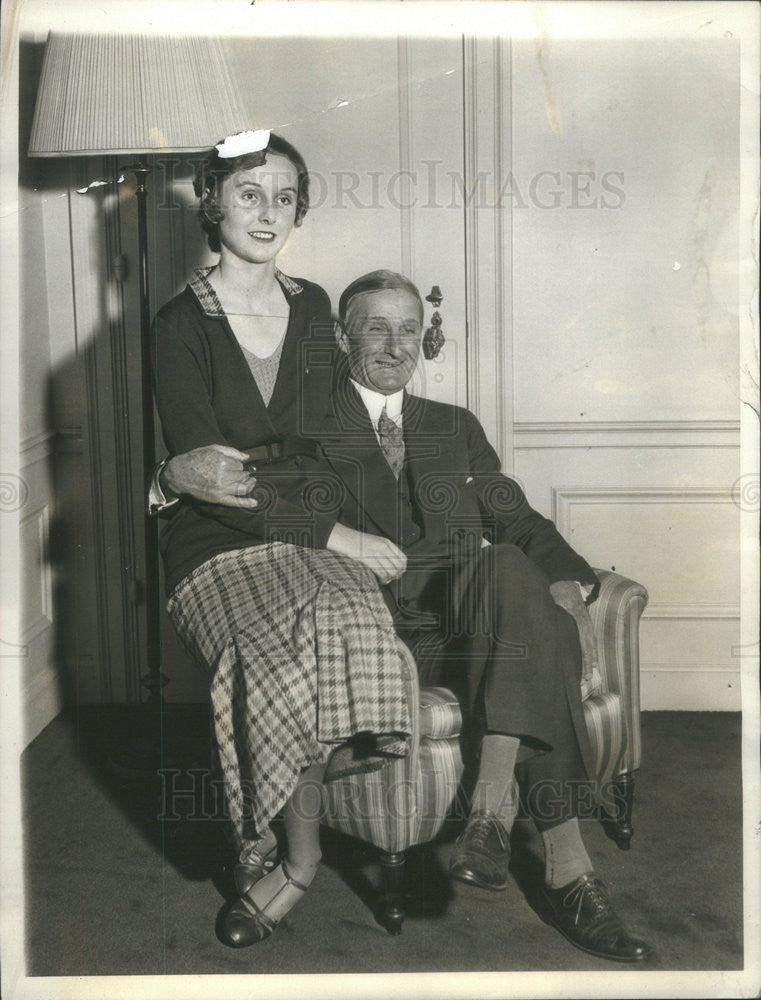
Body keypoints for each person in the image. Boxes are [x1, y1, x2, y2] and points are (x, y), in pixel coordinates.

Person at [158, 269, 653, 962]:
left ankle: (501, 822)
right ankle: (563, 868)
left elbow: (517, 520)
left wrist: (571, 583)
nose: (395, 345)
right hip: (369, 631)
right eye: (377, 328)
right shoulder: (300, 428)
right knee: (527, 628)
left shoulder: (452, 426)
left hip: (466, 621)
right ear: (342, 336)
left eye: (409, 330)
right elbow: (265, 512)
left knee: (516, 572)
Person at [150, 134, 415, 949]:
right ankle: (291, 864)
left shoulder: (310, 306)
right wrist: (339, 535)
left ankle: (292, 780)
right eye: (250, 193)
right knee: (270, 655)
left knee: (355, 626)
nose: (269, 212)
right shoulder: (176, 325)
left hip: (311, 526)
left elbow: (322, 446)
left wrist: (364, 525)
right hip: (214, 541)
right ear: (212, 201)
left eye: (286, 195)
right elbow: (219, 484)